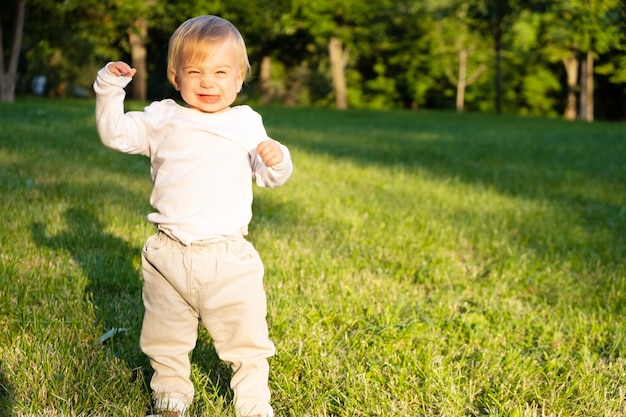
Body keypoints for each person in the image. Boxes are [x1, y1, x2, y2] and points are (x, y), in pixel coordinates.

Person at [93, 15, 293, 417]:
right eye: (195, 71)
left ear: (239, 79)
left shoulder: (245, 122)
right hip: (168, 254)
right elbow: (115, 134)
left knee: (247, 340)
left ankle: (254, 404)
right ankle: (170, 397)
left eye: (221, 72)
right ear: (175, 76)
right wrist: (109, 88)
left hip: (228, 258)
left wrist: (278, 158)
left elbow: (270, 176)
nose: (208, 82)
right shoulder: (161, 118)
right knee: (164, 337)